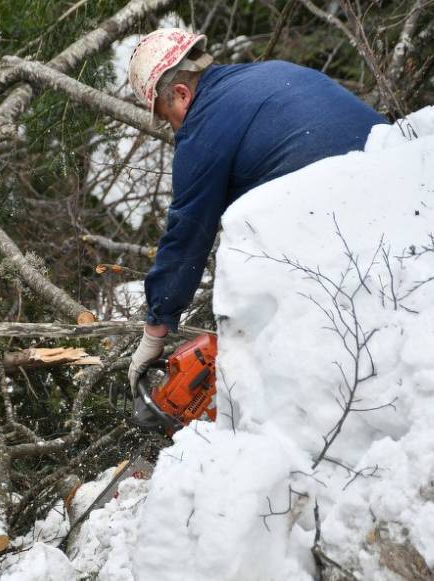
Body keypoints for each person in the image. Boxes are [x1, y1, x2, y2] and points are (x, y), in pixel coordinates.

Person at [126, 28, 387, 393]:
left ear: (181, 95)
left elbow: (187, 234)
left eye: (167, 115)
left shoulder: (203, 125)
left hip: (344, 211)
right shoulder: (266, 73)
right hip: (401, 177)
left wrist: (156, 327)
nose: (172, 127)